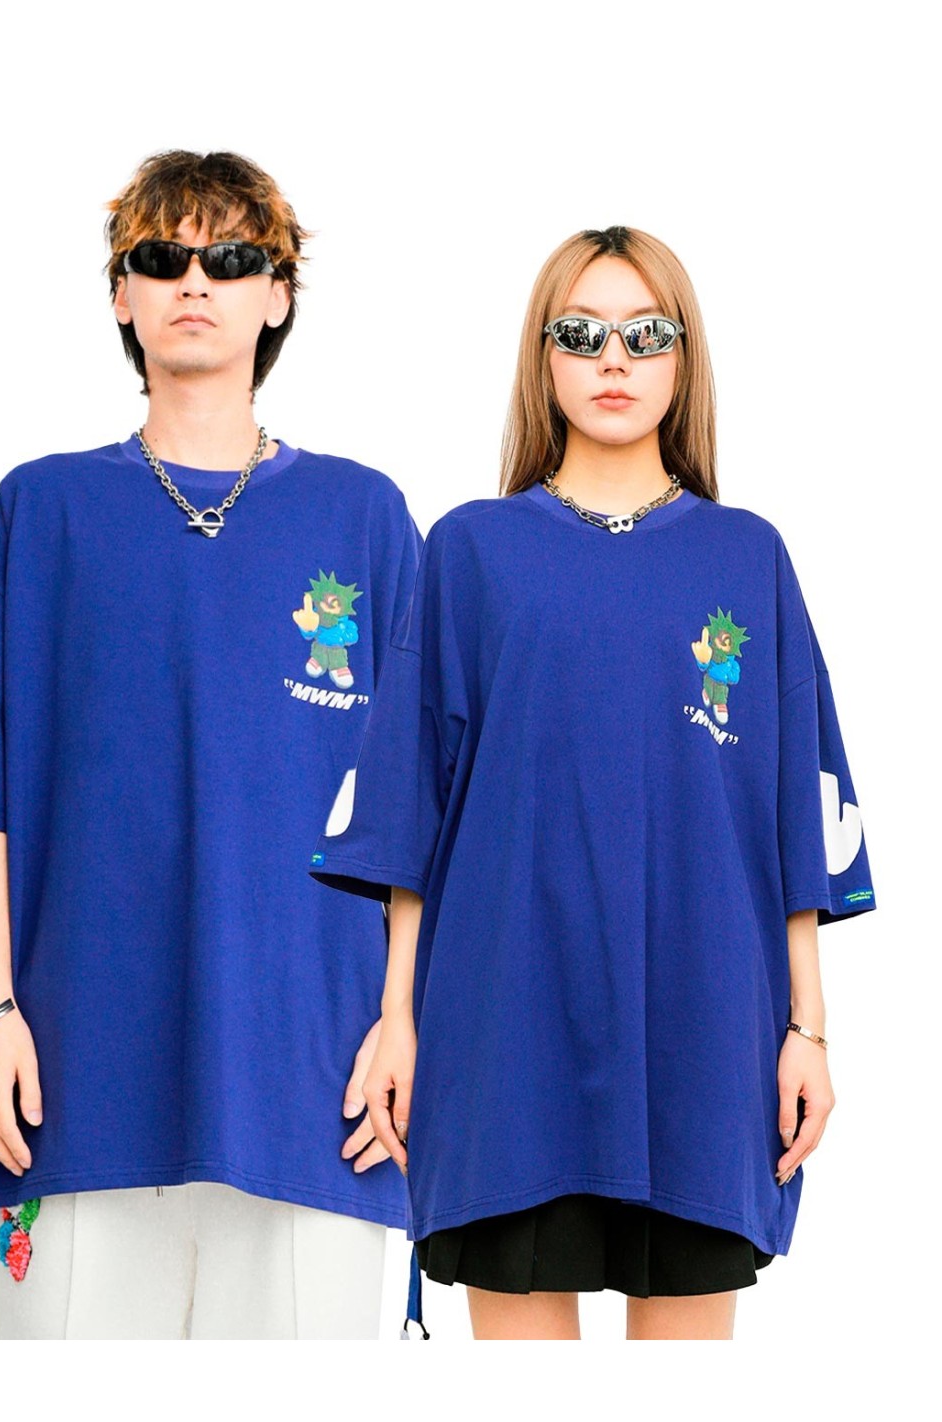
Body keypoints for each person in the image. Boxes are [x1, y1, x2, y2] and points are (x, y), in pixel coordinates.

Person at [308, 225, 876, 1341]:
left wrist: (807, 1028)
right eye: (580, 333)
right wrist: (395, 1020)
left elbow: (793, 817)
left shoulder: (747, 556)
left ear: (683, 355)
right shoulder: (468, 550)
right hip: (502, 1024)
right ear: (543, 356)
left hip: (706, 1024)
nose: (613, 359)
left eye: (644, 334)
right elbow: (412, 813)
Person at [0, 150, 419, 1339]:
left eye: (229, 258)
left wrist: (404, 1021)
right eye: (160, 257)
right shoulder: (40, 511)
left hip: (316, 1081)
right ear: (120, 294)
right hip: (77, 1074)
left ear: (276, 294)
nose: (194, 280)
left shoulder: (366, 519)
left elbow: (418, 814)